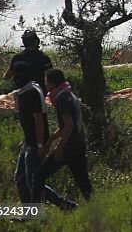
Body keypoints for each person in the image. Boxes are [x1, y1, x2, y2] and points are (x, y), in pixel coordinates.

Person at [12, 62, 71, 209]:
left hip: (35, 143)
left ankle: (61, 205)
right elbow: (27, 120)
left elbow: (39, 120)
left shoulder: (31, 92)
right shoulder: (25, 91)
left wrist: (40, 144)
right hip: (29, 142)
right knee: (21, 178)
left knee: (33, 180)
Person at [33, 69, 92, 206]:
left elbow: (69, 125)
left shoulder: (61, 99)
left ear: (52, 83)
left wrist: (59, 148)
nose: (46, 85)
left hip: (69, 147)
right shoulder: (70, 95)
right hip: (79, 144)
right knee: (84, 184)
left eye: (47, 82)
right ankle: (95, 211)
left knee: (38, 176)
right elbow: (65, 126)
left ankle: (33, 214)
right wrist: (50, 140)